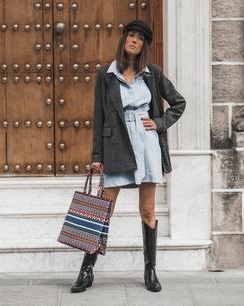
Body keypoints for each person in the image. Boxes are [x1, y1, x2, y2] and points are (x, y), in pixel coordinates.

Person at [71, 20, 186, 293]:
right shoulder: (106, 74)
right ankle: (86, 270)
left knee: (147, 209)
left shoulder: (152, 73)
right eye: (130, 35)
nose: (134, 40)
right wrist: (97, 156)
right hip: (117, 144)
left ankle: (150, 270)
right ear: (124, 39)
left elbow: (178, 103)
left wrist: (158, 123)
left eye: (140, 37)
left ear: (145, 44)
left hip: (146, 145)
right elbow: (99, 117)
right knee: (102, 209)